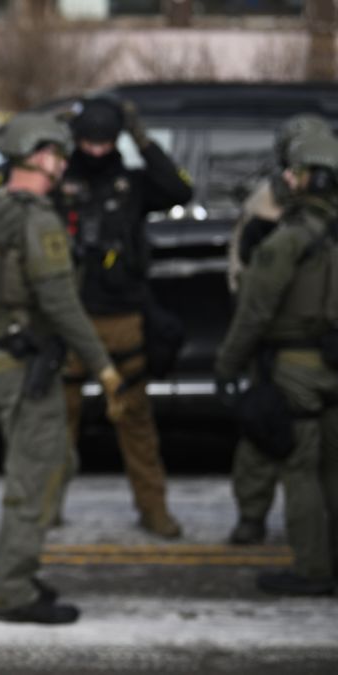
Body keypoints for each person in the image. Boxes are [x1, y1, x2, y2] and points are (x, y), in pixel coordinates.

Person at [0, 113, 125, 624]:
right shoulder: (36, 220)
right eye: (58, 153)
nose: (63, 163)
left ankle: (10, 562)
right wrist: (104, 367)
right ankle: (13, 590)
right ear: (42, 155)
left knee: (56, 465)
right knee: (36, 477)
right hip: (23, 365)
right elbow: (62, 304)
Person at [53, 97, 194, 539]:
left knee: (135, 421)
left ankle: (154, 509)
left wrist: (142, 139)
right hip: (69, 319)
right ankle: (43, 510)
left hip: (123, 318)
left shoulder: (132, 183)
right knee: (57, 422)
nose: (95, 152)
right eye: (87, 142)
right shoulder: (57, 179)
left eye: (105, 142)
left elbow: (178, 191)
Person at [214, 131, 338, 596]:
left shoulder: (289, 241)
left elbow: (254, 312)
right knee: (333, 467)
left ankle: (312, 569)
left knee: (299, 469)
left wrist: (228, 366)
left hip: (296, 366)